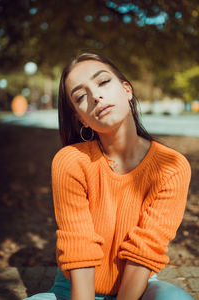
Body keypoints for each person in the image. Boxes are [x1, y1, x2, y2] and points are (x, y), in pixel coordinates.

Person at [24, 53, 193, 300]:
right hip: (74, 290)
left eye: (103, 82)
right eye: (81, 96)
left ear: (127, 90)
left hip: (138, 288)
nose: (95, 96)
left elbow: (145, 252)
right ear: (80, 118)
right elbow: (79, 247)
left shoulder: (172, 167)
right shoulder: (70, 161)